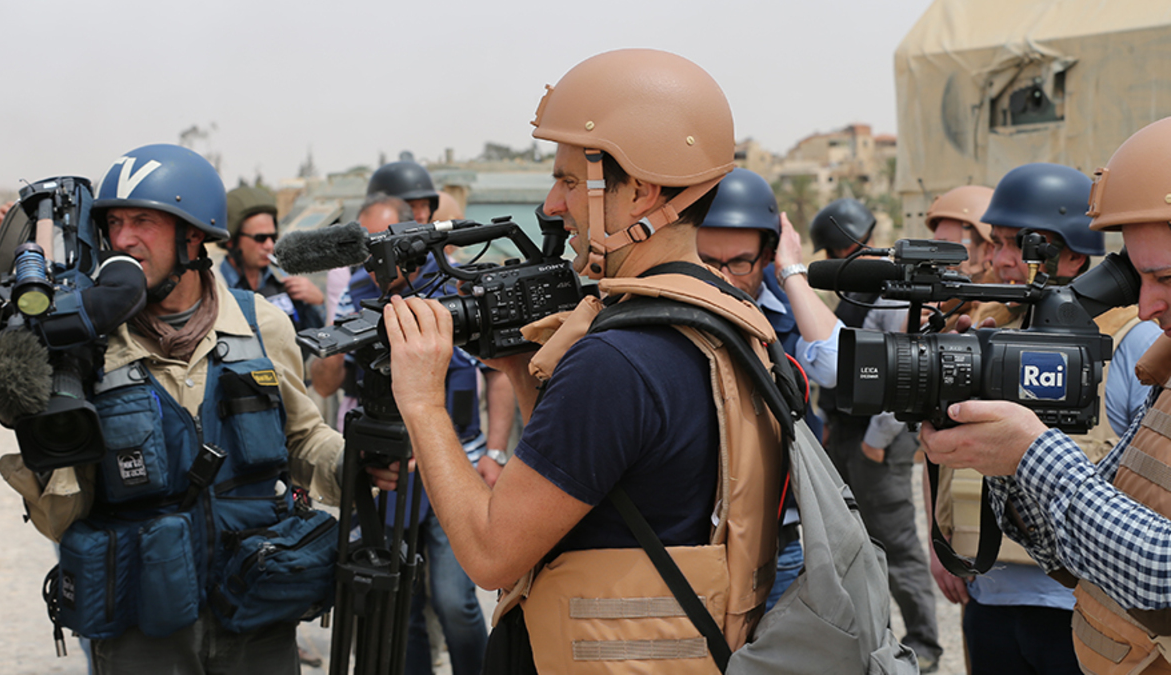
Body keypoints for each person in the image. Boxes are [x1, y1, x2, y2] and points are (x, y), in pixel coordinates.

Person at [375, 49, 784, 673]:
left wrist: (424, 402)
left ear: (642, 193)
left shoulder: (617, 361)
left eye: (569, 181)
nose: (551, 205)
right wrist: (519, 370)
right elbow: (618, 482)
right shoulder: (731, 319)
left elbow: (490, 555)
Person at [0, 144, 344, 675]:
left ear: (193, 235)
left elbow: (303, 438)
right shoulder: (90, 345)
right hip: (144, 630)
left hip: (253, 613)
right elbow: (60, 516)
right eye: (114, 222)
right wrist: (39, 422)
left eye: (143, 221)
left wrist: (360, 463)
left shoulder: (262, 326)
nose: (124, 238)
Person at [922, 121, 1171, 675]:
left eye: (1167, 279)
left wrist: (1033, 453)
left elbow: (1164, 573)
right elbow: (1069, 548)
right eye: (1139, 278)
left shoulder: (1136, 346)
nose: (1150, 305)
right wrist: (1001, 463)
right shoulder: (1167, 370)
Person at [314, 184, 492, 675]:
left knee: (456, 600)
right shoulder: (357, 290)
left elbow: (495, 373)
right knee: (402, 601)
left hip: (456, 462)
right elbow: (324, 382)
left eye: (382, 240)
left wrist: (495, 451)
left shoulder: (450, 278)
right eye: (365, 245)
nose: (376, 256)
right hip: (392, 466)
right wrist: (337, 333)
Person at [695, 168, 843, 606]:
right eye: (707, 261)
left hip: (778, 545)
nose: (722, 278)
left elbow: (834, 367)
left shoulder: (785, 319)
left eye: (739, 262)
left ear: (767, 255)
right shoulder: (665, 310)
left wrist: (793, 273)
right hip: (693, 550)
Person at [810, 197, 944, 671]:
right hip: (846, 433)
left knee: (896, 544)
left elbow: (903, 373)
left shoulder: (891, 291)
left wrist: (876, 441)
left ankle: (925, 644)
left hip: (876, 442)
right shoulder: (858, 290)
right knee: (854, 549)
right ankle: (876, 643)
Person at [218, 185, 324, 338]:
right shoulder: (216, 288)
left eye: (273, 237)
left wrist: (317, 302)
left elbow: (314, 340)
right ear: (231, 241)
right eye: (260, 238)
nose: (269, 246)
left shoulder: (283, 282)